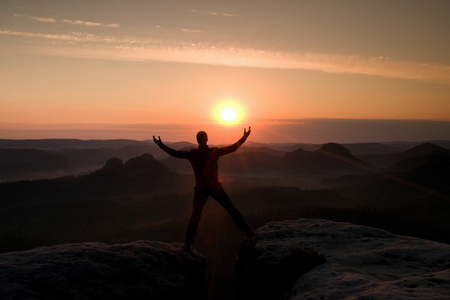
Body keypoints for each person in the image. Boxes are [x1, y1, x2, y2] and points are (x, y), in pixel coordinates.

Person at [153, 127, 255, 252]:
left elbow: (175, 153)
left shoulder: (192, 153)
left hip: (201, 189)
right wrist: (244, 137)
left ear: (197, 140)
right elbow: (233, 148)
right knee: (231, 208)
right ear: (207, 139)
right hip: (215, 187)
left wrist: (161, 145)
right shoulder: (215, 151)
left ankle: (187, 245)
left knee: (195, 216)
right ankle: (248, 231)